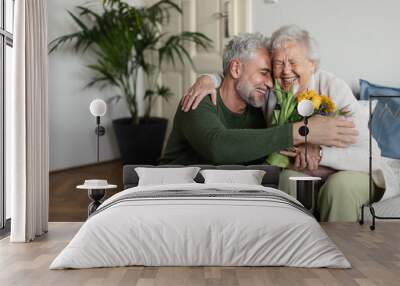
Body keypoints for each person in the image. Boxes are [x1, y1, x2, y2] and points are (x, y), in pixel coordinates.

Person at [180, 25, 387, 222]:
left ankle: (334, 256)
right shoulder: (272, 94)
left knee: (339, 187)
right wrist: (207, 79)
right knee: (287, 179)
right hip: (301, 171)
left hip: (351, 172)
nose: (285, 71)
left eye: (293, 62)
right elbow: (237, 81)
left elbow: (369, 156)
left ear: (312, 63)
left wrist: (323, 155)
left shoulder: (334, 88)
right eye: (277, 64)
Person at [161, 32, 357, 169]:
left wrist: (312, 145)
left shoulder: (260, 109)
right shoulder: (200, 99)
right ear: (236, 69)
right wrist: (302, 131)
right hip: (174, 194)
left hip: (222, 200)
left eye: (271, 75)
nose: (271, 83)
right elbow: (218, 147)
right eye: (264, 73)